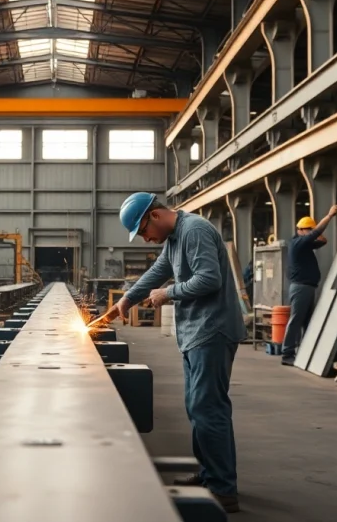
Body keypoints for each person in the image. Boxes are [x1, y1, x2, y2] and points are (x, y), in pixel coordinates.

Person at [107, 192, 245, 514]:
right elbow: (157, 272)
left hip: (212, 331)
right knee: (198, 406)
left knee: (207, 407)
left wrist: (168, 294)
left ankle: (223, 489)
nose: (145, 239)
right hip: (197, 333)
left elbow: (209, 279)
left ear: (155, 216)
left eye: (143, 232)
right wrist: (127, 299)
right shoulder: (174, 239)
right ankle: (210, 475)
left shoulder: (194, 230)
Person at [281, 204, 337, 366]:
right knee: (296, 319)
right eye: (308, 230)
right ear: (300, 230)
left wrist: (314, 233)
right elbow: (317, 233)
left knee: (307, 320)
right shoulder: (297, 243)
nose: (310, 233)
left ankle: (305, 351)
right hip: (301, 287)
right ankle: (287, 353)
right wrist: (329, 216)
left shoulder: (305, 244)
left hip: (307, 287)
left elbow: (323, 240)